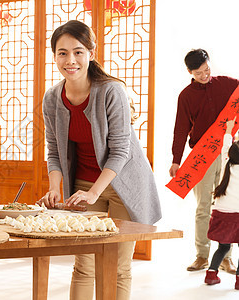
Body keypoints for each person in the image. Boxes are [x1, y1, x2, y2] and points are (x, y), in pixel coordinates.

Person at [36, 20, 161, 300]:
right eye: (62, 53)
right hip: (82, 183)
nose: (70, 60)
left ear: (91, 53)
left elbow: (120, 152)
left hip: (122, 184)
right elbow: (55, 152)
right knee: (84, 265)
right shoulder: (52, 98)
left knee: (118, 265)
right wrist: (55, 188)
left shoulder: (110, 91)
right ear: (54, 55)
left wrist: (95, 192)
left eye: (78, 52)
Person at [169, 49, 238, 273]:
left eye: (207, 69)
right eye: (199, 73)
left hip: (230, 154)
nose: (205, 75)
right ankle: (201, 255)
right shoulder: (186, 96)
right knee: (203, 207)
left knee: (229, 207)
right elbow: (180, 130)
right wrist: (176, 160)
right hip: (202, 155)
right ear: (190, 72)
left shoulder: (227, 84)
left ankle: (225, 257)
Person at [204, 117, 239, 289]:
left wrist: (229, 129)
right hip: (237, 214)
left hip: (222, 213)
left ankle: (211, 274)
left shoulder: (227, 163)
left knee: (223, 247)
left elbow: (226, 146)